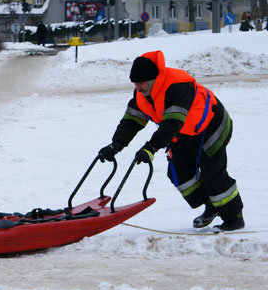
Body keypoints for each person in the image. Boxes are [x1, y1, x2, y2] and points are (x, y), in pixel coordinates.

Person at [97, 50, 244, 232]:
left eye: (141, 83)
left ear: (154, 79)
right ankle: (211, 205)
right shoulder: (141, 95)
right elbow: (131, 121)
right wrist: (116, 145)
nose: (138, 88)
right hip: (183, 133)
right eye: (135, 83)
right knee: (179, 173)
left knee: (212, 174)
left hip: (211, 127)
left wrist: (151, 147)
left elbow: (173, 122)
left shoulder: (177, 87)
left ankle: (234, 217)